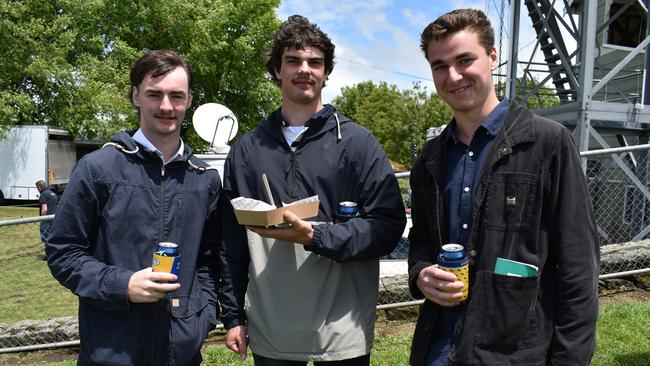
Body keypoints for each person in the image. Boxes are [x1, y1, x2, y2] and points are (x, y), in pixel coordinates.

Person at [407, 8, 599, 366]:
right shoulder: (430, 158)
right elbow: (420, 242)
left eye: (465, 60)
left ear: (493, 57)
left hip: (514, 353)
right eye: (439, 65)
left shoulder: (548, 143)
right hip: (437, 347)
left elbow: (578, 268)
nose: (453, 75)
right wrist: (420, 275)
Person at [218, 15, 406, 366]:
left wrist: (318, 237)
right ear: (276, 70)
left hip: (343, 328)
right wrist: (232, 315)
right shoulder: (247, 149)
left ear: (326, 72)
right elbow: (231, 242)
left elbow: (388, 225)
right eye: (293, 61)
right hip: (272, 329)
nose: (305, 69)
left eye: (315, 62)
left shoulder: (357, 143)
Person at [46, 50, 229, 365]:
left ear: (189, 100)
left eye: (176, 95)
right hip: (112, 348)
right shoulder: (97, 169)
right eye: (154, 94)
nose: (166, 106)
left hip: (181, 352)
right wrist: (123, 284)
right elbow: (64, 253)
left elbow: (210, 262)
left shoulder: (205, 179)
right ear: (135, 96)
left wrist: (202, 318)